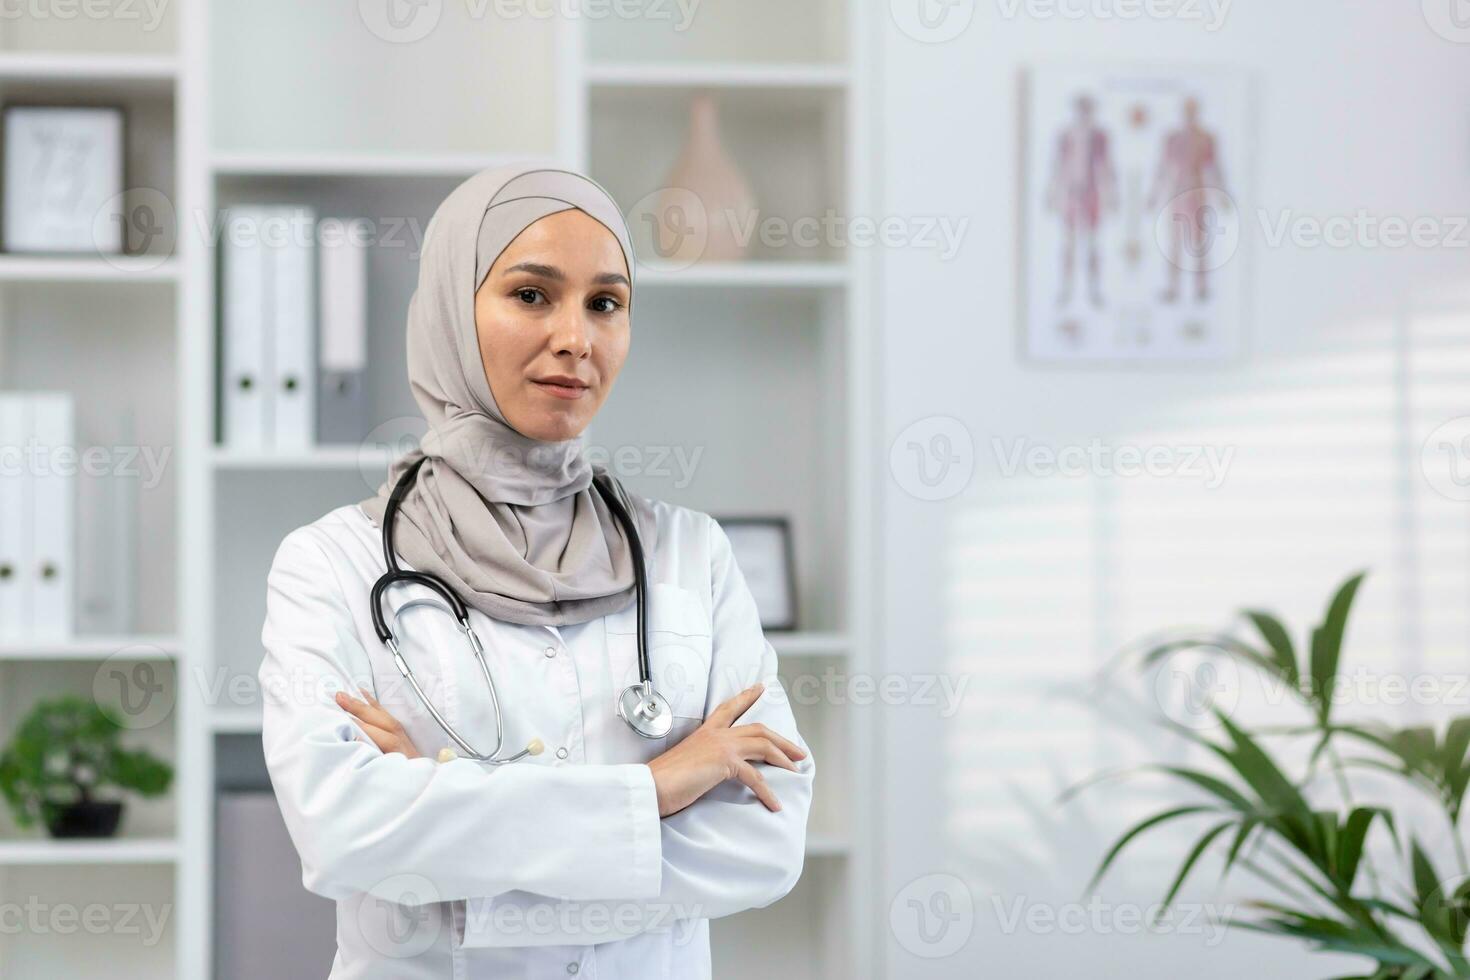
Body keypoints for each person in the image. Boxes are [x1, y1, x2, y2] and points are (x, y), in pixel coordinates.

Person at [257, 164, 814, 979]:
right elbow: (341, 832)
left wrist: (442, 814)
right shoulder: (331, 564)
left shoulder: (691, 555)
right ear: (453, 307)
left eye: (605, 303)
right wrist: (654, 792)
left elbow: (764, 844)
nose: (576, 339)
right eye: (531, 294)